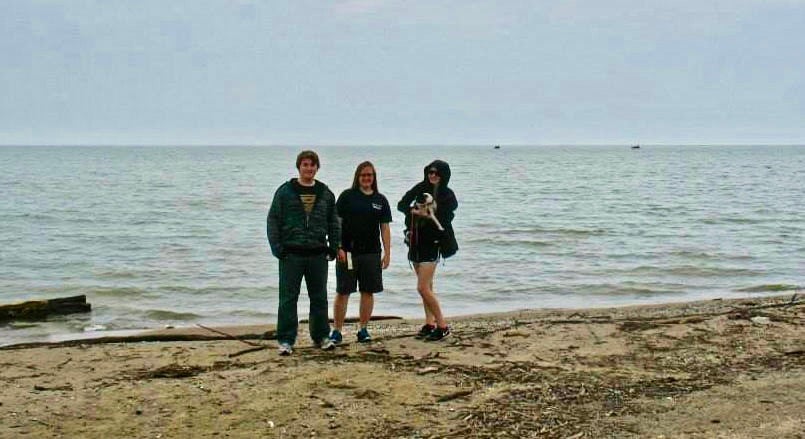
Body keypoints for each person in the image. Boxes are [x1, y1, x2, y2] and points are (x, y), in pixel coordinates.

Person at [267, 150, 340, 355]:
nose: (309, 168)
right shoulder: (285, 191)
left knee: (319, 298)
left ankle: (321, 336)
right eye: (305, 164)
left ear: (317, 167)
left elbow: (334, 222)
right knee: (288, 299)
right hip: (291, 254)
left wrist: (333, 247)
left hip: (318, 254)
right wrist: (277, 248)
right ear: (299, 167)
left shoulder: (326, 193)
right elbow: (273, 220)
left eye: (312, 165)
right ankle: (286, 340)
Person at [330, 161, 392, 345]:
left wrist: (387, 253)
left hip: (371, 253)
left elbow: (385, 228)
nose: (366, 178)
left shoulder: (380, 200)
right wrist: (337, 246)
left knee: (368, 291)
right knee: (343, 291)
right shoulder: (347, 196)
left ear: (374, 178)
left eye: (370, 175)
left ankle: (363, 329)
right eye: (363, 175)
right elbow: (336, 223)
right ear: (358, 177)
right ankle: (337, 330)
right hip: (348, 252)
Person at [397, 160, 458, 341]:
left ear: (443, 175)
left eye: (436, 173)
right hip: (415, 241)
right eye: (430, 172)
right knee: (428, 286)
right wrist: (414, 211)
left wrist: (431, 213)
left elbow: (448, 215)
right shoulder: (420, 187)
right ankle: (429, 323)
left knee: (422, 287)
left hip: (433, 242)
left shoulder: (447, 194)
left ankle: (443, 325)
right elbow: (401, 204)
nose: (433, 176)